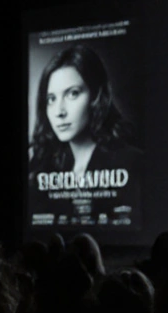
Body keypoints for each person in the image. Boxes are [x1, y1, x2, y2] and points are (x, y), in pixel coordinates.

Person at [28, 44, 140, 227]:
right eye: (51, 99)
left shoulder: (130, 162)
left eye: (72, 94)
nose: (59, 111)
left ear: (96, 96)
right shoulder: (42, 169)